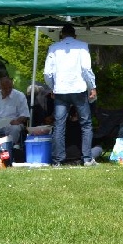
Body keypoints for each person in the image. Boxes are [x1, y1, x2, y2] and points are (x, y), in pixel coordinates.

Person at [43, 23, 98, 166]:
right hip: (78, 88)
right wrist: (92, 87)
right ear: (75, 35)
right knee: (86, 124)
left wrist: (53, 87)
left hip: (61, 90)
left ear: (61, 34)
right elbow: (86, 69)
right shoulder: (82, 46)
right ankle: (87, 158)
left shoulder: (54, 47)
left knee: (59, 125)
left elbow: (47, 73)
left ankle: (57, 160)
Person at [0, 76, 30, 148]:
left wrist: (17, 121)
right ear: (0, 86)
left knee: (15, 128)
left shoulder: (19, 96)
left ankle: (10, 149)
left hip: (10, 124)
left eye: (10, 88)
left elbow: (25, 115)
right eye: (5, 88)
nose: (8, 90)